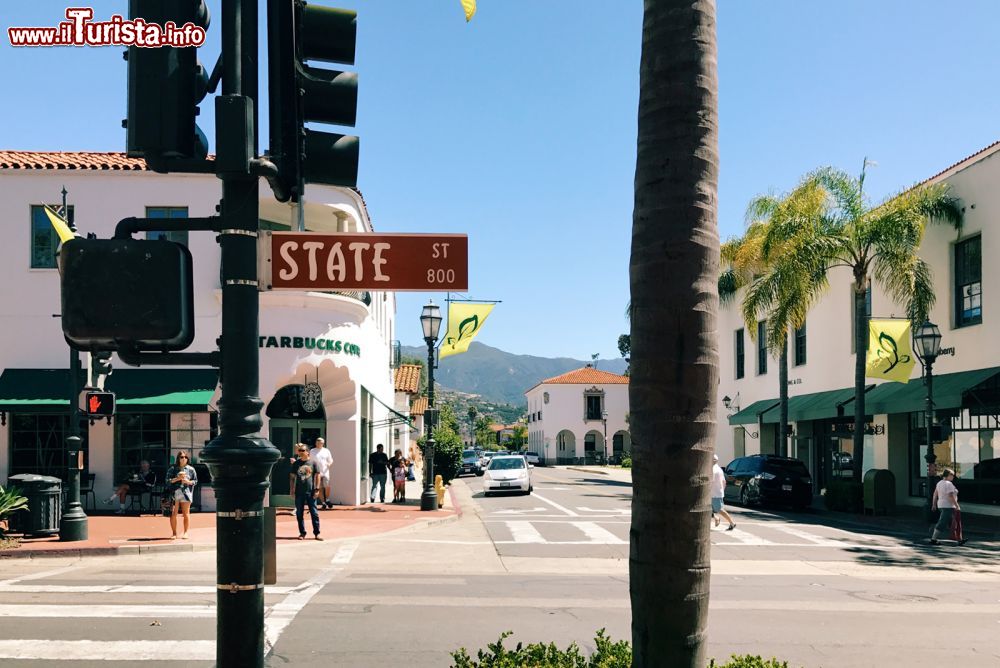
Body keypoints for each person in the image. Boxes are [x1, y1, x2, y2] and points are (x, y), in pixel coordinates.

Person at [290, 444, 322, 540]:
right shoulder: (296, 464)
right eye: (299, 450)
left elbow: (318, 476)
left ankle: (317, 533)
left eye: (302, 450)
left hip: (311, 492)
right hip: (299, 492)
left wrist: (317, 489)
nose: (300, 452)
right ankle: (302, 533)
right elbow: (292, 477)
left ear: (307, 452)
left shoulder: (313, 462)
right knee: (299, 513)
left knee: (314, 513)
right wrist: (292, 489)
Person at [165, 451, 197, 539]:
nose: (184, 459)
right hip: (175, 492)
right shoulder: (173, 469)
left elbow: (195, 481)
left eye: (185, 457)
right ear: (178, 458)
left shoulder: (191, 469)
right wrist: (177, 479)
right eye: (181, 457)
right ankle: (174, 533)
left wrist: (188, 482)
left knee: (186, 513)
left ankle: (186, 532)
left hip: (186, 492)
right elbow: (167, 481)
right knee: (173, 513)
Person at [931, 468, 966, 546]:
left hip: (941, 505)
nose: (953, 477)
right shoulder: (948, 484)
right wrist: (957, 505)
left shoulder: (939, 483)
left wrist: (934, 504)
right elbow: (950, 496)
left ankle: (958, 539)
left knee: (953, 523)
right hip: (948, 506)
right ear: (948, 475)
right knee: (943, 522)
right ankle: (933, 538)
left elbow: (935, 494)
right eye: (952, 475)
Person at [711, 454, 735, 531]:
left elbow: (710, 481)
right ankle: (716, 518)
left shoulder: (713, 470)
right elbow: (724, 482)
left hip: (714, 493)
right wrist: (722, 491)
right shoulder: (719, 469)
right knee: (709, 508)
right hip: (717, 492)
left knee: (719, 509)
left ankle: (732, 523)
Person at [309, 437, 334, 509]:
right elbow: (310, 461)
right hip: (316, 472)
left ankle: (327, 499)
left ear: (323, 443)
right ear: (316, 443)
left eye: (320, 442)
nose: (319, 443)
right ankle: (323, 503)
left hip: (325, 471)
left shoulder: (326, 451)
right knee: (319, 487)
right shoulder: (312, 451)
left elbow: (331, 460)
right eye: (317, 442)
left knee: (327, 486)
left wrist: (329, 464)